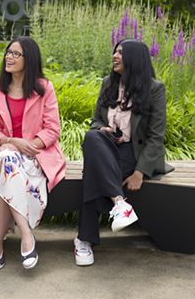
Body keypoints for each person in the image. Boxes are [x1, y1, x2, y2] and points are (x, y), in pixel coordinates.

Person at [73, 38, 174, 266]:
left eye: (120, 53)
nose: (114, 56)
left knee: (92, 173)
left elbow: (156, 136)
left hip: (135, 153)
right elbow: (95, 121)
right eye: (115, 52)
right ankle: (119, 203)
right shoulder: (108, 82)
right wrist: (104, 129)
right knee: (92, 136)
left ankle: (84, 240)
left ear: (135, 60)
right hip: (108, 144)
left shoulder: (154, 89)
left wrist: (140, 172)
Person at [0, 37, 66, 271]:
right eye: (8, 52)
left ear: (30, 59)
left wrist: (26, 145)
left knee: (4, 164)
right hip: (5, 153)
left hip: (37, 155)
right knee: (5, 158)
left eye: (16, 54)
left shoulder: (44, 89)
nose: (9, 57)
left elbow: (52, 129)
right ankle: (27, 237)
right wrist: (10, 142)